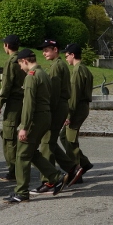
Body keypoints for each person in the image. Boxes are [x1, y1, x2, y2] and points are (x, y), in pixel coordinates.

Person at [3, 49, 67, 203]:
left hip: (35, 118)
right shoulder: (43, 73)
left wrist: (24, 126)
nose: (20, 67)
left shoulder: (31, 76)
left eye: (20, 64)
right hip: (45, 116)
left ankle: (21, 192)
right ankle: (56, 176)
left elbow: (29, 104)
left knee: (22, 154)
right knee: (31, 152)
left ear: (25, 61)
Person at [41, 39, 77, 178]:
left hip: (57, 106)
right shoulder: (60, 64)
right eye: (43, 51)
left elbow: (54, 92)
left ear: (55, 50)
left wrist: (49, 111)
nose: (44, 53)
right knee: (50, 141)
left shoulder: (57, 66)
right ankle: (71, 168)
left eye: (47, 50)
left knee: (47, 142)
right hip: (61, 105)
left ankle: (50, 177)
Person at [63, 43, 94, 186]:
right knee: (64, 136)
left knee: (71, 141)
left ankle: (76, 172)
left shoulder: (77, 71)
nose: (66, 58)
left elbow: (74, 95)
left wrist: (69, 115)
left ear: (72, 55)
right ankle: (84, 163)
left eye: (67, 55)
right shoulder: (84, 69)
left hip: (77, 109)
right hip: (82, 107)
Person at [0, 35, 24, 181]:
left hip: (14, 103)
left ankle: (13, 170)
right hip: (25, 101)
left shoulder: (11, 62)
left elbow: (6, 85)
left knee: (9, 137)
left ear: (6, 45)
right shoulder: (23, 59)